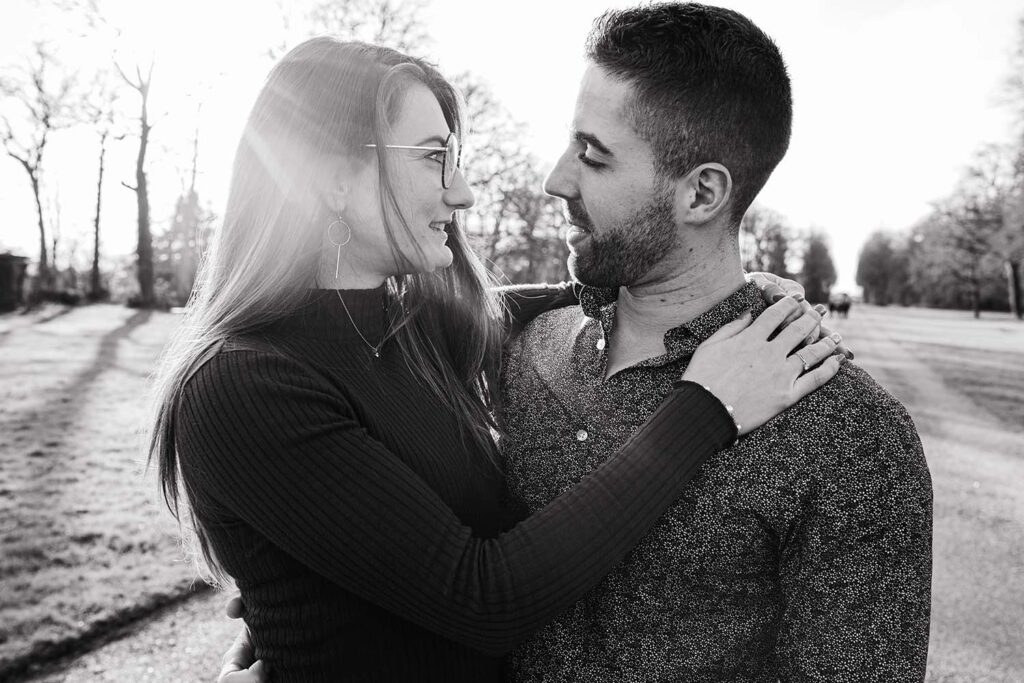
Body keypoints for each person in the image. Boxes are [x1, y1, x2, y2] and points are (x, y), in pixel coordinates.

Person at [150, 36, 841, 682]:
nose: (462, 192)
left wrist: (736, 294)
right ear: (332, 179)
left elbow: (526, 302)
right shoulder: (243, 384)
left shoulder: (408, 330)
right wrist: (707, 406)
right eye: (432, 158)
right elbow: (487, 599)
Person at [496, 4, 931, 681]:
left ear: (701, 192)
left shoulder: (849, 434)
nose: (557, 179)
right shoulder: (527, 350)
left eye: (593, 156)